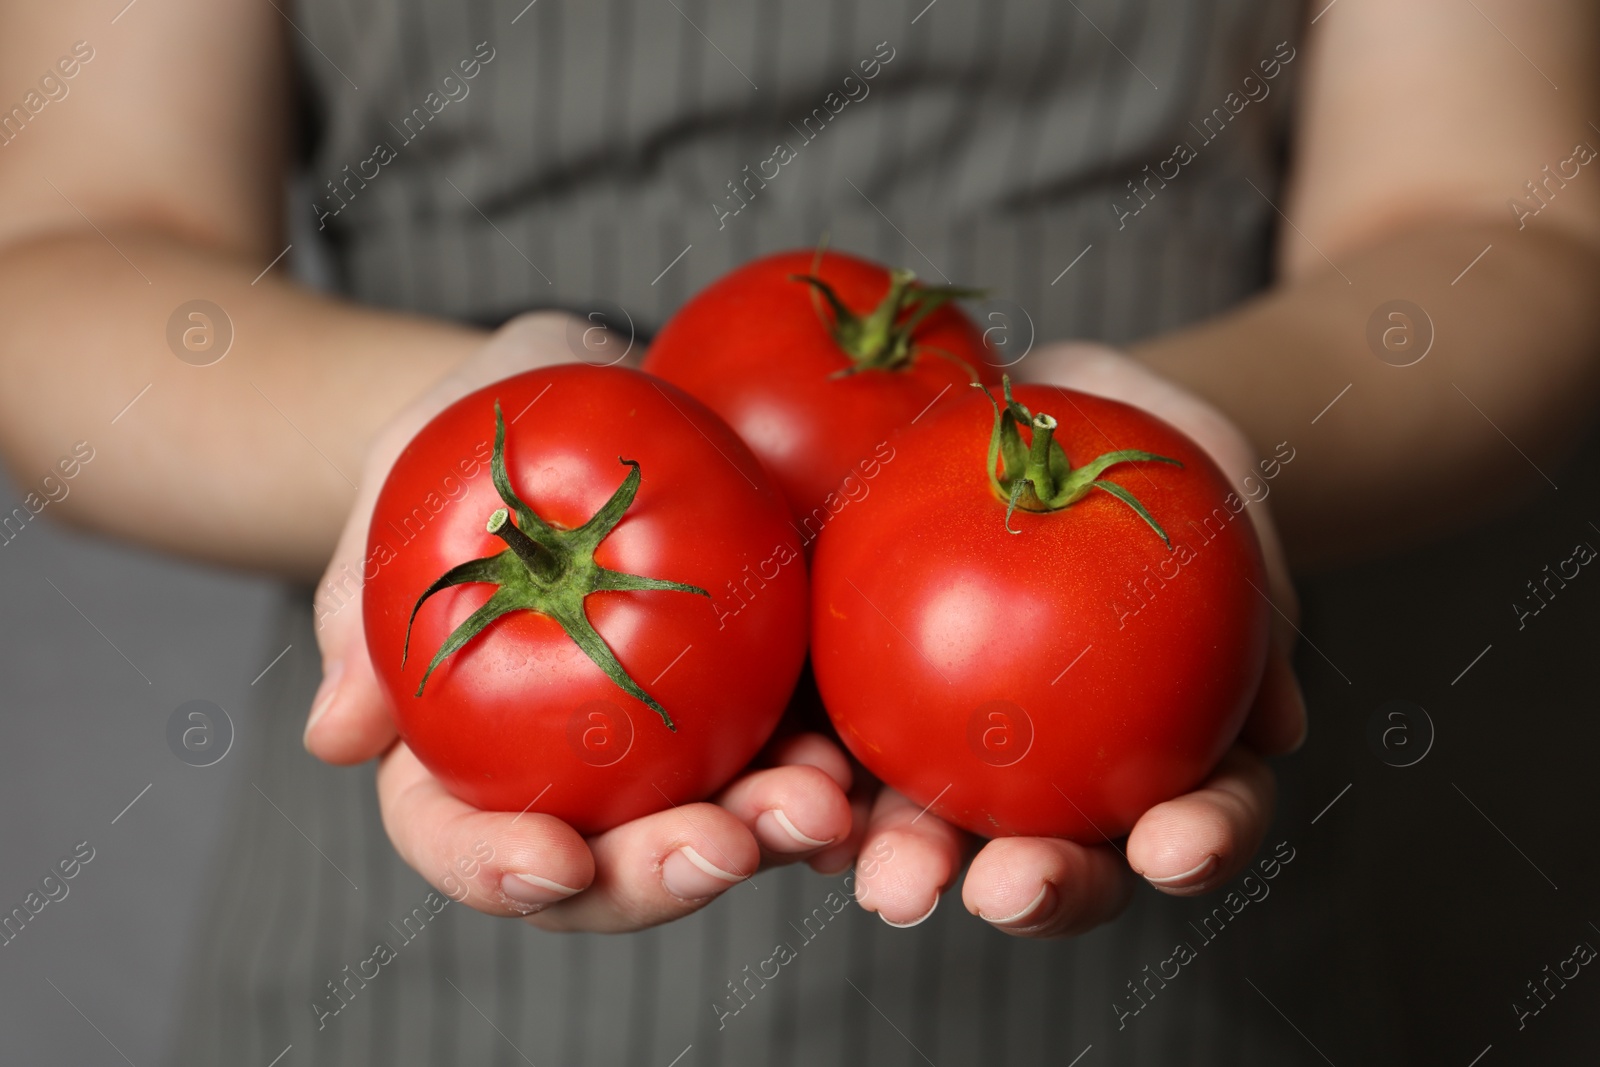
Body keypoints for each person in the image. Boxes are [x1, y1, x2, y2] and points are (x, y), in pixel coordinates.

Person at [2, 0, 1596, 1063]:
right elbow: (63, 255)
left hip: (1184, 955)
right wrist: (427, 454)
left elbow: (1509, 228)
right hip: (424, 974)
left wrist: (1195, 452)